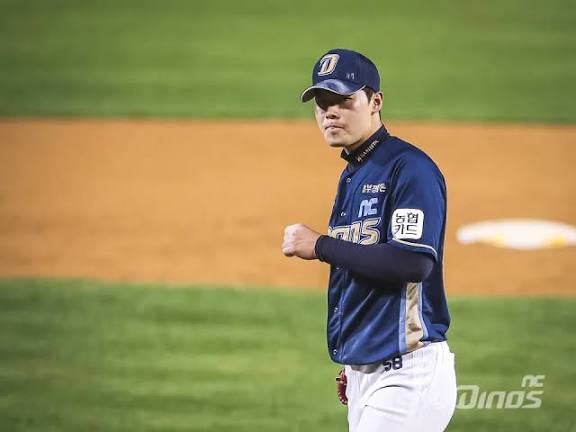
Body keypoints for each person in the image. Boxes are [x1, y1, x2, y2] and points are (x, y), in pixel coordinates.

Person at [282, 48, 457, 432]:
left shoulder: (409, 169)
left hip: (408, 374)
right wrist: (357, 361)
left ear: (375, 101)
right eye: (322, 104)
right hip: (370, 373)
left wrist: (321, 246)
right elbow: (362, 271)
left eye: (343, 100)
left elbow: (412, 263)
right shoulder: (354, 173)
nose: (330, 113)